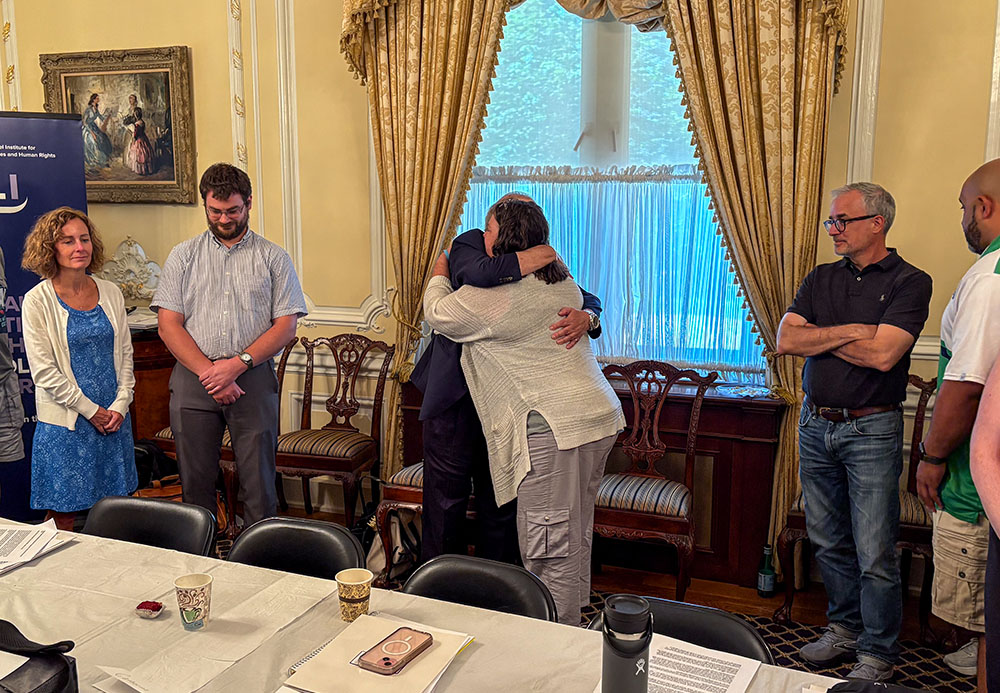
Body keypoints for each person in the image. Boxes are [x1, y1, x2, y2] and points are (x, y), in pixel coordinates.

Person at [423, 198, 624, 626]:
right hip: (596, 420)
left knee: (548, 547)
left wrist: (439, 271)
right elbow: (581, 298)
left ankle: (556, 637)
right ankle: (570, 622)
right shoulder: (562, 282)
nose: (483, 236)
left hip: (554, 431)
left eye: (490, 230)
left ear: (505, 240)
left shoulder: (495, 298)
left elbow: (437, 312)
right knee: (573, 531)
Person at [776, 182, 932, 681]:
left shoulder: (911, 281)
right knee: (827, 540)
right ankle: (843, 629)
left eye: (842, 220)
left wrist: (820, 336)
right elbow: (786, 339)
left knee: (874, 550)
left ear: (877, 223)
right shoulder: (821, 277)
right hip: (815, 424)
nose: (833, 230)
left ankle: (878, 653)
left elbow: (884, 355)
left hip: (872, 429)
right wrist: (855, 330)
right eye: (831, 221)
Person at [151, 163, 306, 528]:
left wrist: (236, 366)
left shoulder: (273, 258)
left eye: (232, 211)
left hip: (252, 378)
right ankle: (200, 556)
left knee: (259, 484)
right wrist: (212, 373)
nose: (223, 219)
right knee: (195, 484)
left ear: (249, 203)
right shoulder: (183, 256)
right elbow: (168, 325)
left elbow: (286, 327)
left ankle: (259, 557)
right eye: (215, 211)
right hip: (194, 378)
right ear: (205, 205)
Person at [914, 160, 1000, 691]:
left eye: (964, 208)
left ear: (983, 207)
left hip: (977, 482)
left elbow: (965, 385)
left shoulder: (990, 278)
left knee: (987, 620)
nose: (963, 219)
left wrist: (932, 456)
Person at [21, 207, 136, 531]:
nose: (79, 247)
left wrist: (120, 404)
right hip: (67, 424)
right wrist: (91, 411)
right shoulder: (37, 300)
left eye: (84, 239)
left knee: (118, 513)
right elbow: (43, 372)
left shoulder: (110, 292)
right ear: (50, 248)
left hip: (113, 421)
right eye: (68, 241)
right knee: (63, 518)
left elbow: (126, 354)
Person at [122, 95, 155, 176]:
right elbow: (126, 120)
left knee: (139, 151)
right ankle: (127, 162)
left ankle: (141, 168)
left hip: (136, 133)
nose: (130, 100)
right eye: (129, 98)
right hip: (132, 130)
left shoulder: (137, 110)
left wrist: (134, 133)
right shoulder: (128, 110)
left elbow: (137, 126)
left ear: (135, 100)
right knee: (127, 145)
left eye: (132, 99)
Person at [82, 94, 113, 170]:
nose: (98, 99)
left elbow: (101, 118)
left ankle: (105, 158)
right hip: (88, 128)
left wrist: (108, 114)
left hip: (94, 126)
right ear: (93, 100)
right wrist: (92, 133)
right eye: (97, 98)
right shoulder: (88, 110)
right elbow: (84, 122)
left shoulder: (96, 109)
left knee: (103, 138)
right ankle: (95, 160)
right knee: (93, 142)